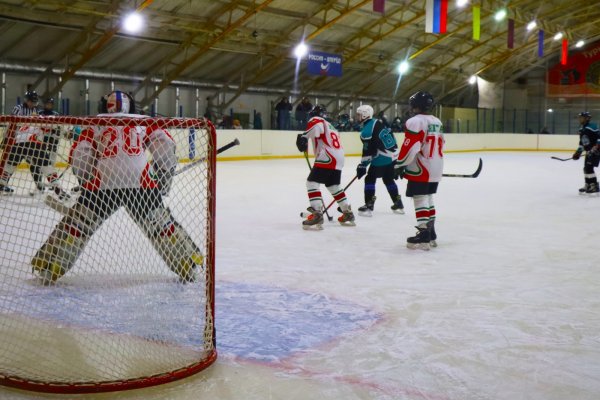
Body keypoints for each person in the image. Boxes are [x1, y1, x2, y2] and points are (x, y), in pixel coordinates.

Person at [31, 90, 204, 284]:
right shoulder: (143, 121)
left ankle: (50, 264)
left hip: (103, 181)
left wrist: (87, 181)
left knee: (79, 224)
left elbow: (80, 155)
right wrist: (163, 182)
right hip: (140, 181)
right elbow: (166, 147)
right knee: (160, 225)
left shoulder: (95, 123)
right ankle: (187, 263)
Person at [394, 91, 444, 250]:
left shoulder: (415, 121)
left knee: (420, 197)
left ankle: (423, 234)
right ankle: (431, 232)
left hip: (422, 166)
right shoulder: (437, 121)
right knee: (428, 197)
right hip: (437, 165)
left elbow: (410, 146)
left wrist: (400, 164)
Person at [296, 104, 355, 230]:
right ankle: (347, 212)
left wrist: (304, 136)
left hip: (327, 157)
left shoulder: (316, 120)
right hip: (339, 157)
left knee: (311, 183)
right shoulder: (331, 126)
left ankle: (317, 213)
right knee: (333, 186)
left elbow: (315, 127)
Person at [0, 91, 65, 196]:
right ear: (27, 100)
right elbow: (11, 125)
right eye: (31, 101)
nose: (32, 104)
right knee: (43, 164)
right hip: (20, 140)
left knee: (12, 165)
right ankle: (56, 186)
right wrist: (7, 139)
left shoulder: (36, 111)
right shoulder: (19, 109)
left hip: (20, 141)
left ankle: (38, 185)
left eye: (34, 101)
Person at [355, 104, 404, 217]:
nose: (357, 117)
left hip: (383, 157)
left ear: (365, 115)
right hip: (393, 156)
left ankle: (368, 205)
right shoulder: (378, 122)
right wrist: (397, 161)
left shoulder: (367, 130)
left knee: (370, 179)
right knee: (388, 179)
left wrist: (363, 165)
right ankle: (398, 204)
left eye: (358, 115)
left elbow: (368, 151)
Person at [573, 111, 600, 194]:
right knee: (585, 168)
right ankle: (588, 184)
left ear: (587, 118)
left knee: (589, 168)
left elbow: (599, 137)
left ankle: (594, 185)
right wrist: (578, 153)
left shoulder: (592, 127)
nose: (580, 119)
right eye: (579, 117)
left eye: (581, 117)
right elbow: (582, 143)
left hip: (596, 151)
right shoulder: (581, 129)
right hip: (589, 152)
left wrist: (596, 147)